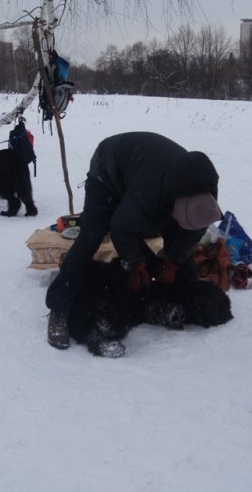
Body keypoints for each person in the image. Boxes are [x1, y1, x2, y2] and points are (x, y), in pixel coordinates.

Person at [45, 131, 222, 350]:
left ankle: (184, 294)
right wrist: (136, 265)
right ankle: (58, 310)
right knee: (91, 237)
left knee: (178, 239)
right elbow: (121, 229)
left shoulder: (206, 198)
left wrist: (172, 264)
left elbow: (192, 234)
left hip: (148, 175)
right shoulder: (149, 194)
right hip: (108, 170)